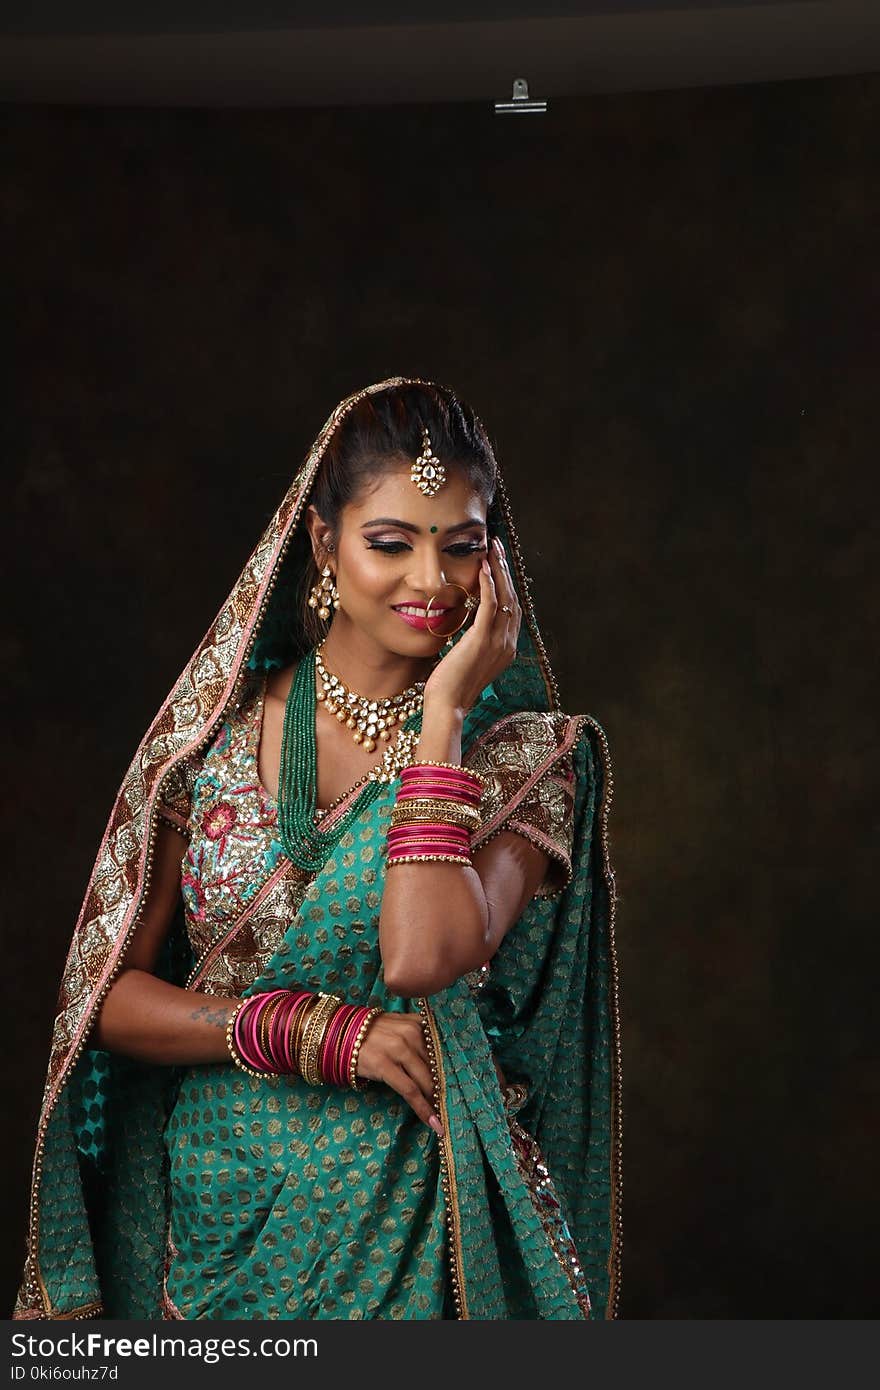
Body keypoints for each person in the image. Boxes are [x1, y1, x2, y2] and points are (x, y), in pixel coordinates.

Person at [12, 376, 622, 1321]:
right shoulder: (208, 744)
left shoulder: (527, 758)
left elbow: (418, 958)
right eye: (392, 543)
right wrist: (311, 1033)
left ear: (493, 565)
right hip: (220, 1220)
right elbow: (113, 1005)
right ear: (321, 543)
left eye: (461, 548)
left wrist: (444, 720)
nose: (429, 582)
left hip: (421, 1230)